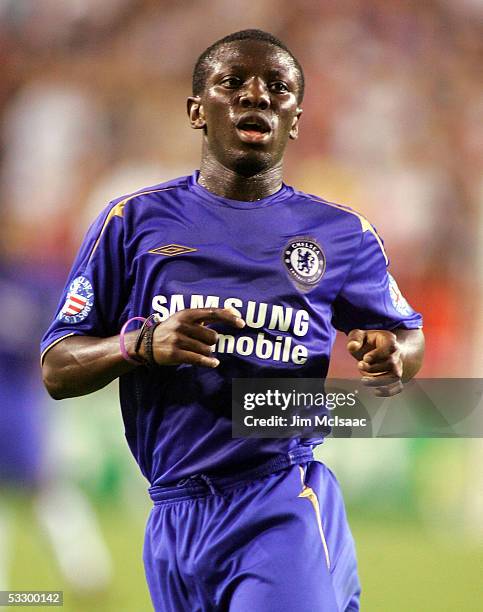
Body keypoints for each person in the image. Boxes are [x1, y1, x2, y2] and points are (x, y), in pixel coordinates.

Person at [41, 29, 424, 612]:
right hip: (173, 517)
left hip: (279, 499)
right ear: (197, 110)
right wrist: (140, 345)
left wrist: (394, 354)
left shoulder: (341, 235)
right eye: (232, 83)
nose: (257, 96)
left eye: (278, 87)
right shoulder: (131, 222)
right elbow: (57, 367)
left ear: (294, 120)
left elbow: (407, 337)